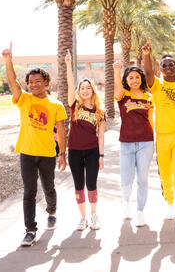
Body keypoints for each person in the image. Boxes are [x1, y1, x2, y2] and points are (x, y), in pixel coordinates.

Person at [2, 42, 67, 247]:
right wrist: (8, 60)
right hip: (27, 153)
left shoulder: (56, 104)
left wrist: (63, 154)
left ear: (46, 82)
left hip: (47, 153)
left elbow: (62, 130)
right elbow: (13, 82)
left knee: (49, 187)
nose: (34, 84)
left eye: (38, 81)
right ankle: (30, 230)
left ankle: (52, 212)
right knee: (29, 191)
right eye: (31, 82)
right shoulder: (24, 99)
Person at [142, 38, 175, 228]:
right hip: (162, 137)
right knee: (165, 174)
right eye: (165, 65)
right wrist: (146, 55)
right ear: (161, 69)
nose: (169, 67)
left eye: (172, 64)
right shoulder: (156, 85)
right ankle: (170, 203)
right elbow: (147, 73)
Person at [64, 50, 106, 231]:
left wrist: (101, 155)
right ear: (79, 91)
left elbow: (101, 135)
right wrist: (68, 65)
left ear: (93, 91)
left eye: (88, 87)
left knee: (91, 184)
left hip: (92, 151)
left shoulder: (99, 112)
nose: (85, 90)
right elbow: (69, 83)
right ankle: (83, 218)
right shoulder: (75, 105)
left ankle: (94, 215)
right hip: (74, 150)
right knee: (78, 185)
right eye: (82, 88)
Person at [113, 60, 155, 227]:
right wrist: (117, 71)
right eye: (131, 78)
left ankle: (140, 211)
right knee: (126, 179)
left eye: (137, 77)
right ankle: (126, 203)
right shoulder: (123, 95)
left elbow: (151, 119)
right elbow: (116, 93)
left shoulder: (148, 96)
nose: (134, 80)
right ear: (126, 80)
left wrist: (156, 139)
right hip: (127, 143)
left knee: (142, 179)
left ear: (141, 79)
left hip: (146, 142)